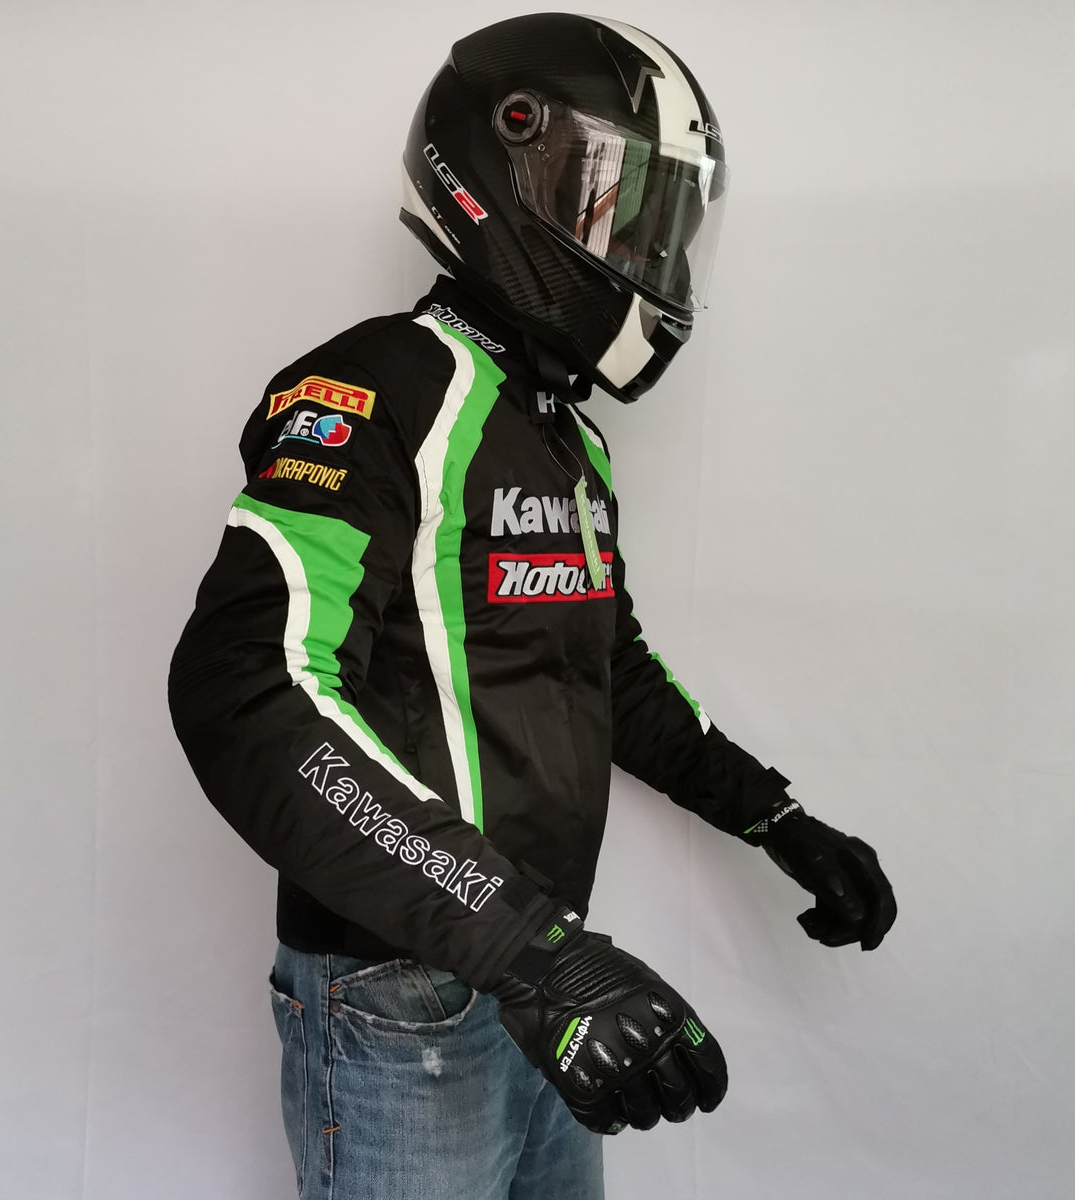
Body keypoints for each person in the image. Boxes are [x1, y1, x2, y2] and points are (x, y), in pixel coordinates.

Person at [168, 13, 896, 1199]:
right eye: (619, 204)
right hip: (408, 1001)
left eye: (660, 220)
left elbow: (612, 673)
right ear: (503, 161)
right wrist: (530, 950)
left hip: (548, 980)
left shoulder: (567, 441)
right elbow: (246, 688)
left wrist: (777, 820)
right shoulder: (374, 388)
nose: (645, 249)